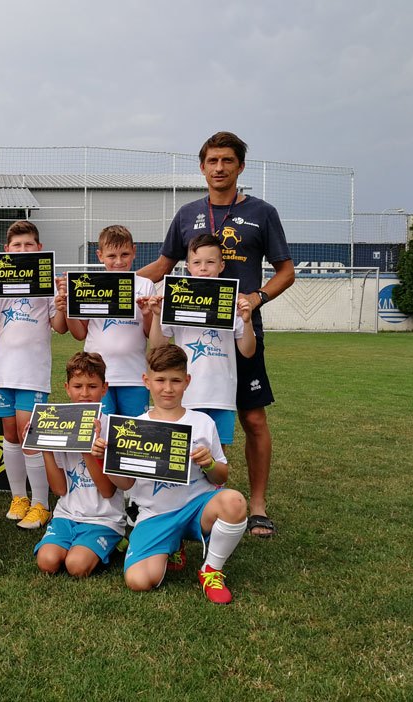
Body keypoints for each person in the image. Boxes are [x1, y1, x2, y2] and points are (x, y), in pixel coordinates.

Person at [138, 131, 294, 538]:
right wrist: (115, 284)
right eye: (212, 161)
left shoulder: (262, 212)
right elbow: (162, 266)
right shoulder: (187, 214)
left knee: (253, 418)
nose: (219, 168)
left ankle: (256, 506)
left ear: (240, 166)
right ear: (202, 166)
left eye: (227, 160)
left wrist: (255, 300)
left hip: (240, 329)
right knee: (180, 418)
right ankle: (179, 507)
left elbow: (286, 272)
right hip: (189, 333)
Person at [96, 344, 248, 603]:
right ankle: (172, 544)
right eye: (160, 380)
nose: (168, 388)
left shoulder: (202, 422)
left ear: (187, 381)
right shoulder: (134, 427)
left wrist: (209, 464)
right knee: (139, 580)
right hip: (156, 514)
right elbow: (126, 484)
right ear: (146, 381)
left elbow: (221, 477)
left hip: (196, 508)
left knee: (234, 502)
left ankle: (211, 570)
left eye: (176, 380)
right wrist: (105, 460)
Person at [0, 220, 68, 530]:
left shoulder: (46, 283)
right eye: (16, 245)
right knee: (10, 433)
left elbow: (60, 327)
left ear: (39, 248)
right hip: (3, 370)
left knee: (29, 432)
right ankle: (19, 497)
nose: (22, 249)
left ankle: (41, 503)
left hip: (32, 371)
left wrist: (62, 303)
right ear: (6, 250)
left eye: (28, 244)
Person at [145, 233, 256, 448]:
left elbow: (248, 351)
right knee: (182, 450)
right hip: (186, 393)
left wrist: (247, 321)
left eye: (210, 262)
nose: (203, 268)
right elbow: (157, 346)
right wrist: (157, 315)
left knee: (217, 452)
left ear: (221, 266)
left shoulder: (232, 301)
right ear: (188, 267)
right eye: (197, 263)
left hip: (221, 394)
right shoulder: (176, 299)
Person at [34, 352, 125, 578]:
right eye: (77, 386)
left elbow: (107, 491)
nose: (84, 393)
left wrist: (86, 446)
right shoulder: (60, 423)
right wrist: (44, 446)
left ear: (104, 388)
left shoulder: (113, 429)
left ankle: (114, 541)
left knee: (76, 566)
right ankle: (74, 541)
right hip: (67, 514)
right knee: (47, 561)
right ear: (67, 388)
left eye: (92, 386)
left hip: (103, 518)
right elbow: (59, 489)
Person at [64, 225, 154, 417]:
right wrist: (68, 309)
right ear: (100, 255)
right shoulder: (89, 284)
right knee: (99, 430)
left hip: (134, 375)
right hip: (95, 377)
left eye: (125, 254)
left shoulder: (145, 285)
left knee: (132, 430)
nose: (119, 261)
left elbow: (149, 333)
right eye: (112, 256)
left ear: (134, 252)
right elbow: (79, 333)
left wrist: (147, 314)